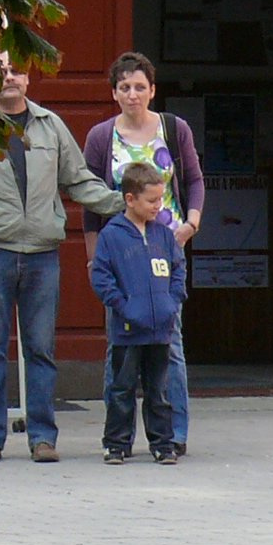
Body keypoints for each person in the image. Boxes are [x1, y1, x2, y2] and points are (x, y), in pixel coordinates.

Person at [0, 53, 123, 463]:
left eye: (16, 71)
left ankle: (42, 437)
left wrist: (125, 204)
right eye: (0, 71)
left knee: (40, 349)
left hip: (44, 254)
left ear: (29, 78)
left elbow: (79, 182)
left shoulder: (51, 125)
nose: (9, 78)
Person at [83, 51, 203, 457]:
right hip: (120, 252)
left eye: (139, 87)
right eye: (124, 87)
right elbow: (89, 198)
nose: (132, 94)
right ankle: (118, 439)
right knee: (121, 348)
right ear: (114, 92)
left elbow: (194, 178)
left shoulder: (173, 128)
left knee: (170, 343)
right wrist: (93, 252)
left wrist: (191, 223)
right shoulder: (102, 137)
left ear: (152, 90)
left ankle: (173, 432)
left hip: (165, 247)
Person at [90, 162, 188, 465]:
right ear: (130, 199)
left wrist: (172, 302)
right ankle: (117, 444)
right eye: (151, 201)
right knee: (122, 388)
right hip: (127, 330)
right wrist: (123, 307)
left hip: (160, 327)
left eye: (160, 200)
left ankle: (162, 444)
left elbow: (177, 271)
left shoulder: (163, 235)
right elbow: (102, 276)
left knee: (159, 390)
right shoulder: (112, 236)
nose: (157, 207)